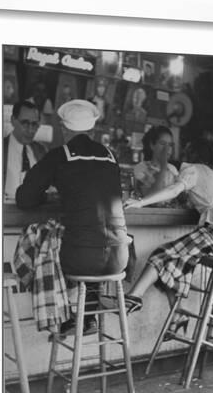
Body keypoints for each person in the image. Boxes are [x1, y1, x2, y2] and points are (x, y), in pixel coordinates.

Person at [16, 99, 130, 334]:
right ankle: (87, 316)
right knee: (90, 234)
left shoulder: (59, 156)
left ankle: (66, 315)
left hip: (81, 260)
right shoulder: (111, 157)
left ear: (64, 129)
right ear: (92, 129)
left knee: (50, 237)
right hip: (119, 259)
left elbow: (25, 199)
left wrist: (49, 197)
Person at [123, 139, 213, 322]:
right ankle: (177, 318)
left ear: (192, 155)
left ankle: (134, 297)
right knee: (170, 265)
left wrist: (141, 202)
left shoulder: (193, 169)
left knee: (161, 256)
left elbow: (174, 190)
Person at [3, 100, 47, 201]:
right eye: (25, 123)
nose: (31, 130)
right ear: (13, 120)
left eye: (35, 124)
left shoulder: (41, 151)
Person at [133, 126, 179, 199]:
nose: (167, 148)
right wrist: (163, 167)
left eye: (170, 145)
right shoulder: (141, 168)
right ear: (152, 145)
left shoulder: (173, 169)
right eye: (163, 143)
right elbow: (152, 197)